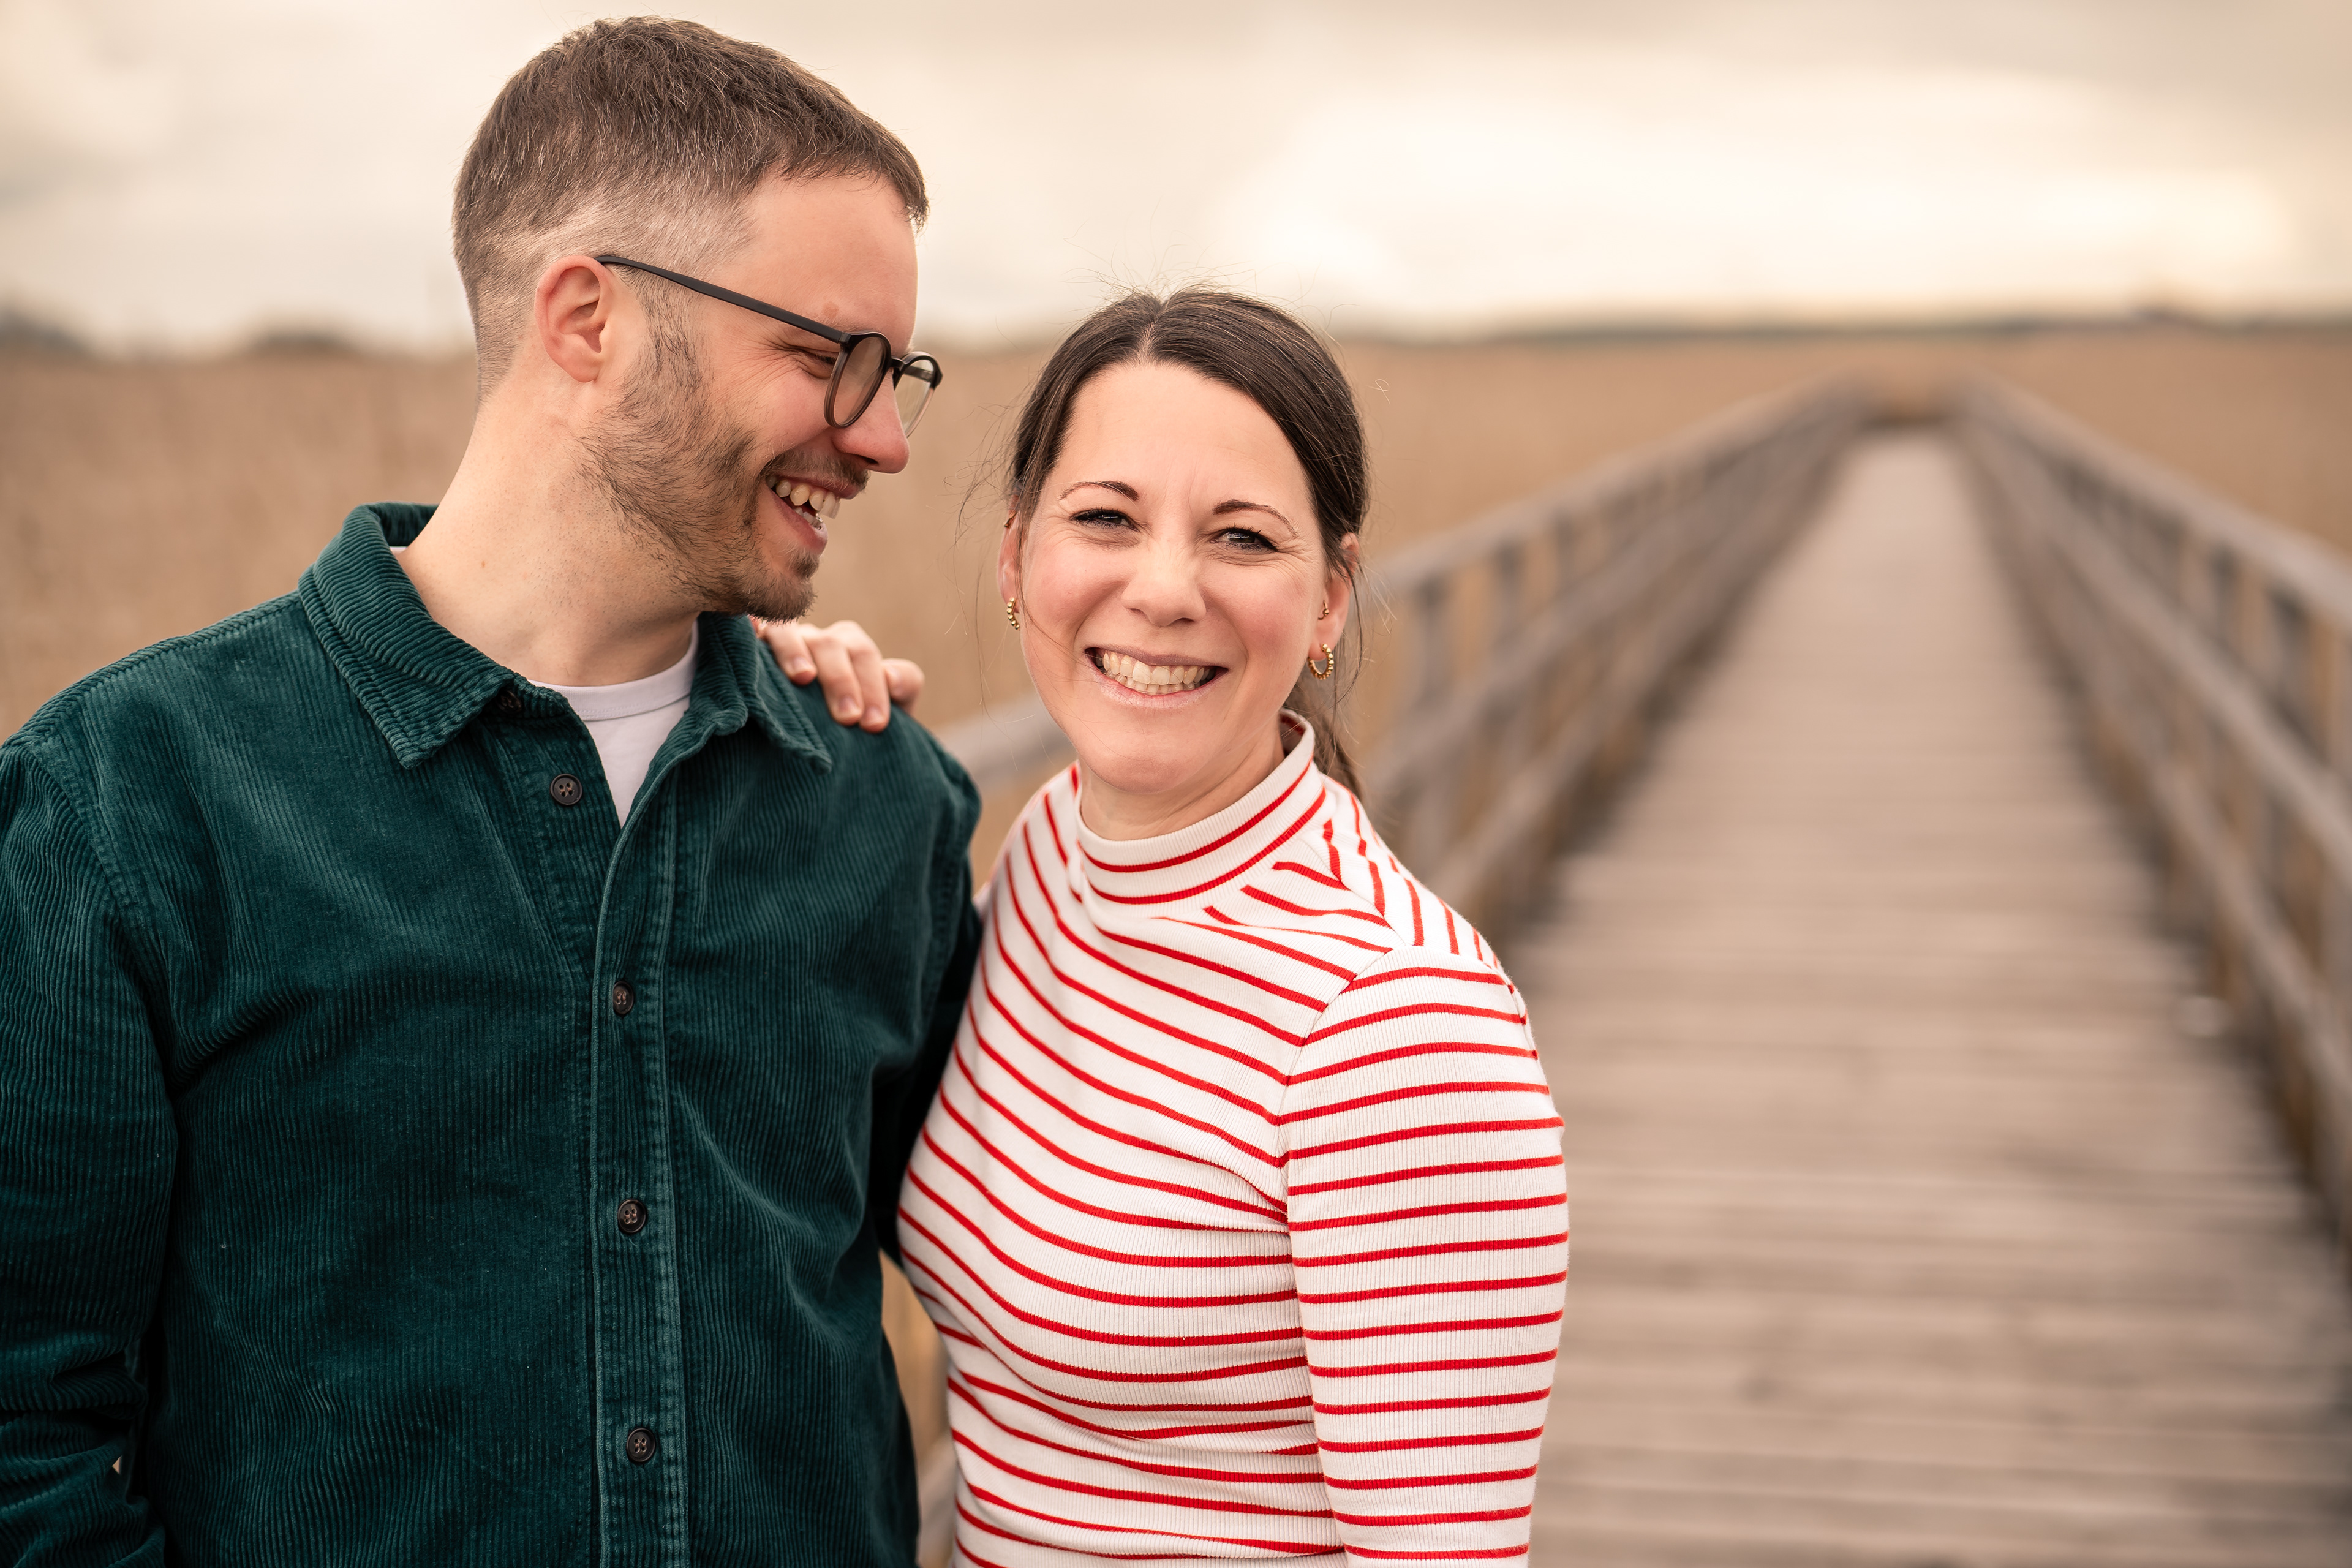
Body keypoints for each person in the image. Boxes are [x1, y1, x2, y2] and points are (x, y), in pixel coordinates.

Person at [0, 20, 978, 1566]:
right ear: (586, 317)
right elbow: (23, 1435)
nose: (885, 437)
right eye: (825, 356)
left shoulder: (883, 802)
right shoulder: (129, 803)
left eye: (896, 371)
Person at [887, 288, 1569, 1567]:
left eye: (1242, 538)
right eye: (1105, 518)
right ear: (1016, 555)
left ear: (1328, 599)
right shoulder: (1043, 858)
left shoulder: (1396, 1019)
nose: (1162, 589)